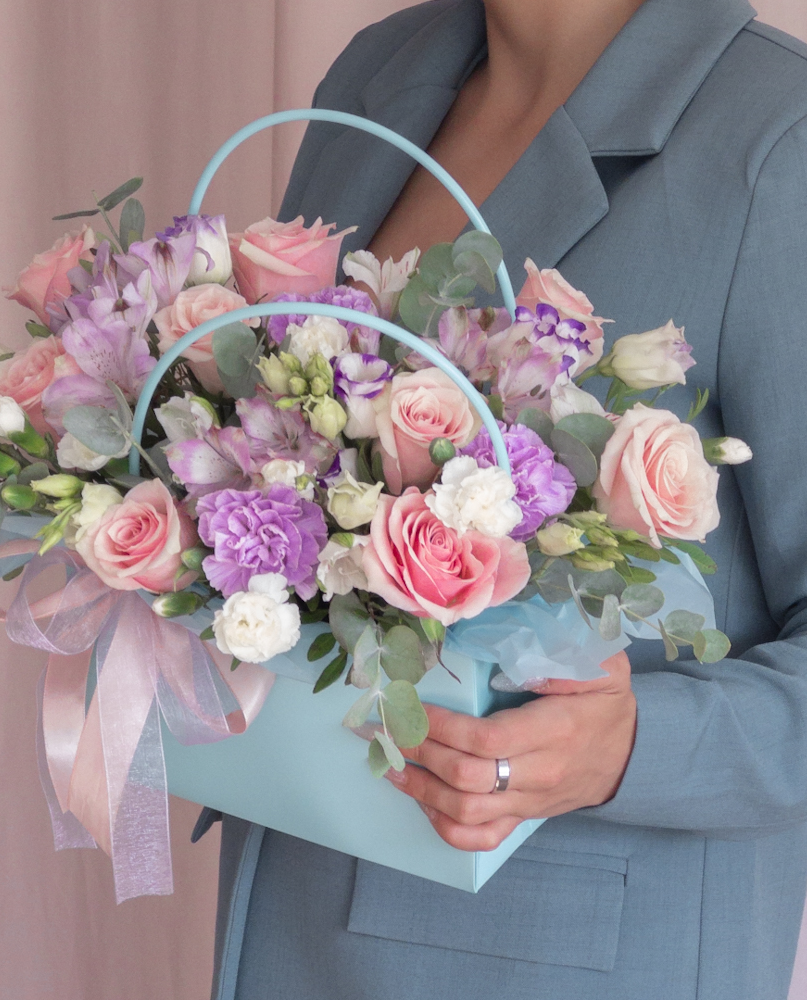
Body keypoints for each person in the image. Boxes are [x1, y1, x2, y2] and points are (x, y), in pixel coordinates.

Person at [202, 1, 807, 997]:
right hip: (291, 903)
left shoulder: (778, 141)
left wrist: (632, 748)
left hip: (571, 957)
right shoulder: (377, 74)